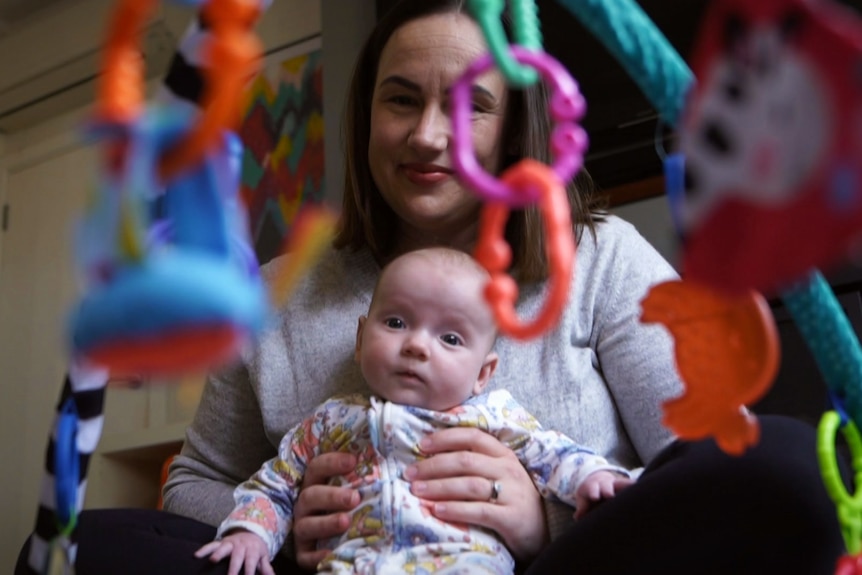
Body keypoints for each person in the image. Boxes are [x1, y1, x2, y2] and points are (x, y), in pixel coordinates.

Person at [14, 0, 845, 573]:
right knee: (76, 545)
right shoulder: (279, 293)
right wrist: (284, 519)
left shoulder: (600, 260)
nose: (428, 135)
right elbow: (195, 481)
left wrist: (540, 520)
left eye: (469, 106)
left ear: (517, 123)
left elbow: (696, 461)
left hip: (548, 568)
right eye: (400, 100)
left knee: (780, 465)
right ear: (364, 116)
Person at [195, 247, 633, 575]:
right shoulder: (330, 422)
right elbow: (273, 486)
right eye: (397, 323)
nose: (417, 345)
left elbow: (555, 455)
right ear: (361, 338)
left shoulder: (493, 417)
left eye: (450, 339)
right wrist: (250, 532)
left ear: (483, 373)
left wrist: (592, 480)